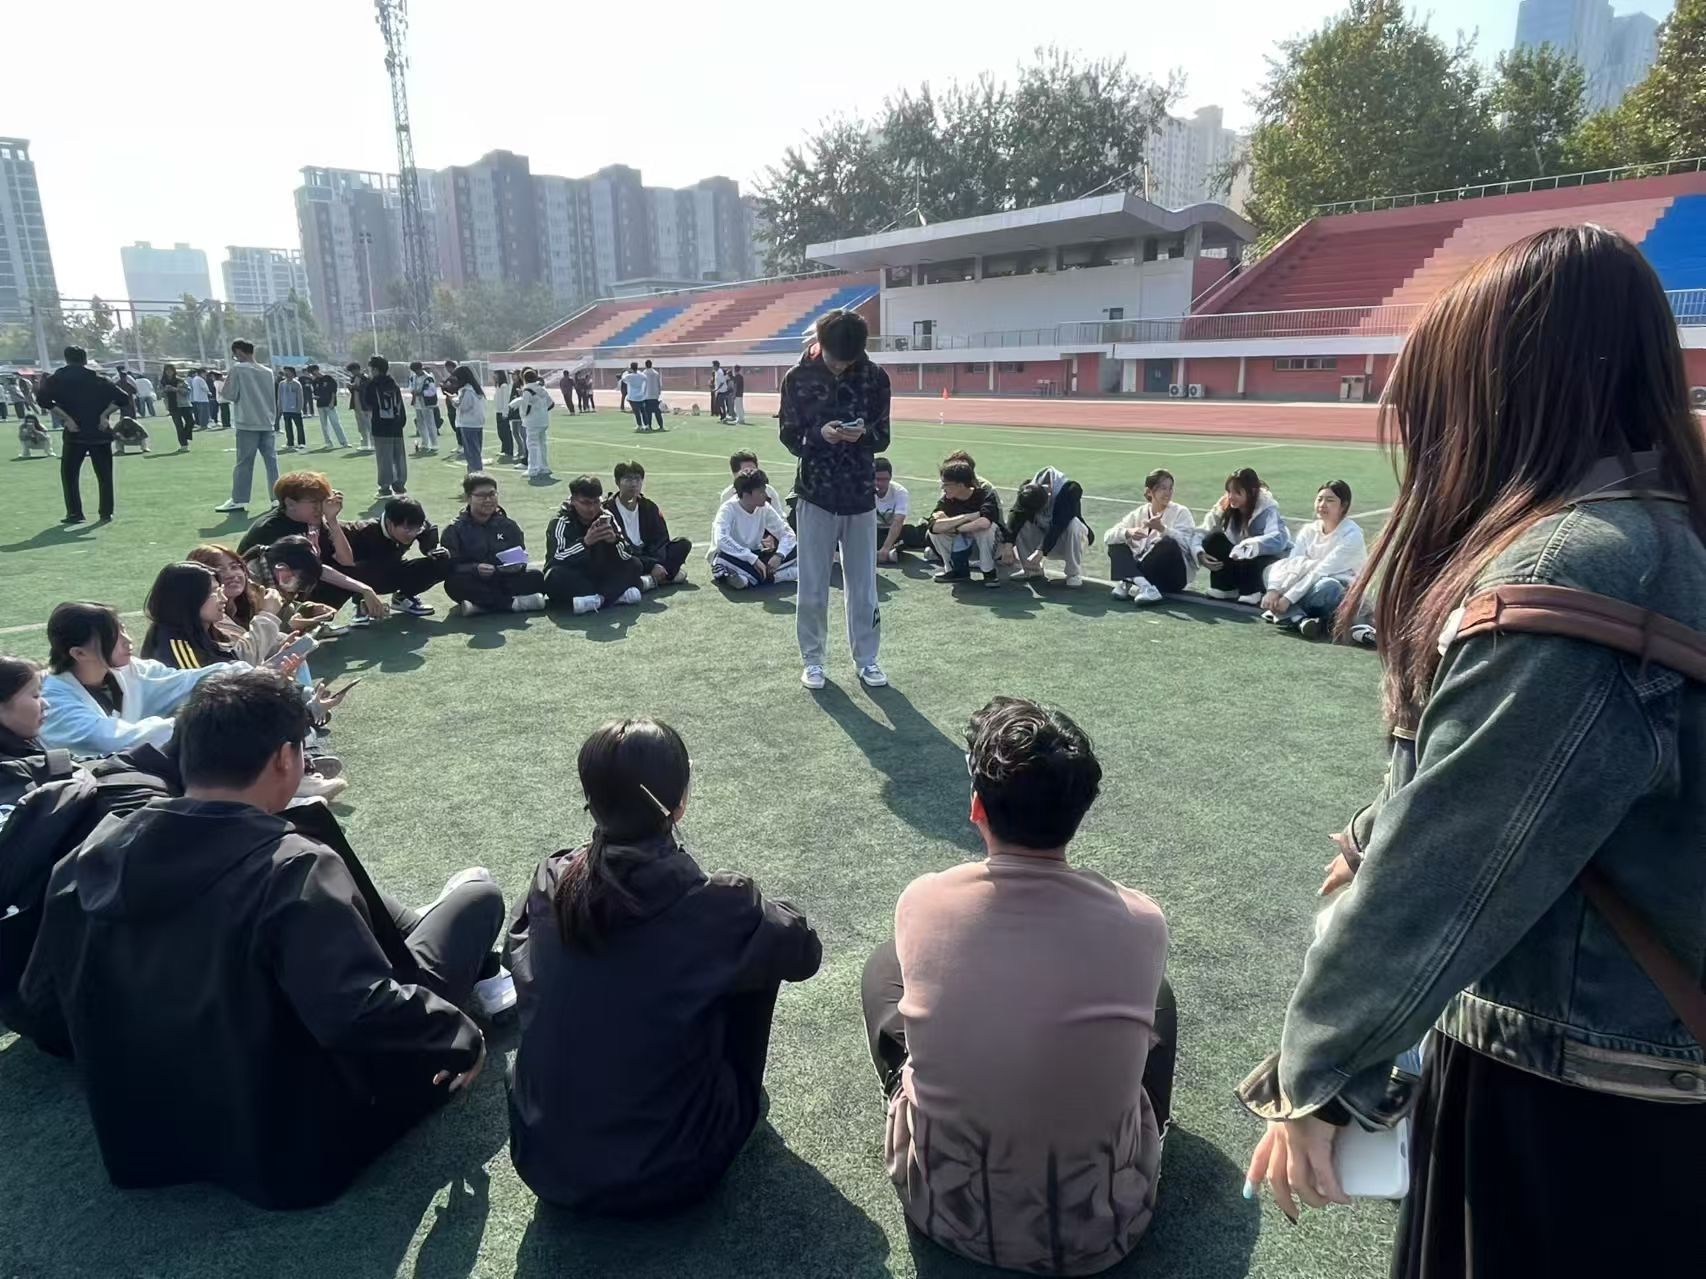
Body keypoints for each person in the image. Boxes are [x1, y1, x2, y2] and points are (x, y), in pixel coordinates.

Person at [1239, 226, 1706, 1275]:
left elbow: (1450, 863)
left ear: (1508, 390)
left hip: (1575, 1100)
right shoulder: (1665, 530)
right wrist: (1374, 829)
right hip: (1632, 1074)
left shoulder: (1581, 563)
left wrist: (1315, 1074)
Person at [19, 668, 510, 1209]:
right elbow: (357, 1012)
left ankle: (409, 926)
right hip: (290, 1146)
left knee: (381, 915)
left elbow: (42, 1000)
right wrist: (456, 1033)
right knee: (477, 896)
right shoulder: (291, 866)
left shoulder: (85, 858)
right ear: (283, 758)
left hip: (145, 1140)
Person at [862, 697, 1172, 1275]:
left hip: (943, 1208)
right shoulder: (1141, 921)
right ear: (1079, 810)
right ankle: (1148, 1135)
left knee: (884, 968)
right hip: (1098, 1228)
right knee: (1160, 1002)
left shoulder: (924, 900)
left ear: (977, 806)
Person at [505, 717, 821, 1213]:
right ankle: (730, 1096)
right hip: (674, 1170)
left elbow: (518, 951)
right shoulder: (720, 905)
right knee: (755, 949)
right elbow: (803, 952)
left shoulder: (551, 878)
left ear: (591, 798)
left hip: (542, 1159)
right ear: (678, 805)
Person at [779, 309, 891, 691]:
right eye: (834, 358)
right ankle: (813, 660)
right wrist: (819, 435)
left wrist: (864, 435)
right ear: (820, 343)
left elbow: (884, 436)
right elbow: (789, 435)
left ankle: (867, 660)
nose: (841, 366)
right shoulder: (797, 378)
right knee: (812, 586)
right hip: (816, 494)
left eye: (848, 360)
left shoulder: (875, 377)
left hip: (860, 494)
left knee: (864, 588)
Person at [37, 602, 229, 756]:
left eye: (123, 629)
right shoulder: (53, 701)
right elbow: (113, 740)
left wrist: (241, 673)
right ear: (79, 653)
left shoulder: (130, 670)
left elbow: (185, 682)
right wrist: (196, 724)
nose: (128, 640)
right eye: (113, 637)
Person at [236, 473, 391, 624]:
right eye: (313, 502)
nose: (320, 507)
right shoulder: (271, 529)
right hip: (257, 599)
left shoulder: (310, 520)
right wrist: (364, 589)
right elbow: (314, 570)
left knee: (353, 571)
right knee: (330, 579)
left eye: (323, 501)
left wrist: (332, 520)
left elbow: (346, 561)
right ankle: (298, 624)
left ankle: (311, 623)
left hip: (287, 589)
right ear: (290, 503)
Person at [1258, 480, 1367, 637]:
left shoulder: (1352, 535)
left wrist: (1287, 598)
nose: (1322, 504)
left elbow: (1321, 571)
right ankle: (1300, 619)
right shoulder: (1309, 530)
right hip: (1305, 582)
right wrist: (1274, 590)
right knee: (1270, 570)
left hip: (1338, 587)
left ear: (1343, 506)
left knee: (1329, 587)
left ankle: (1288, 614)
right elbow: (1292, 565)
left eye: (1330, 500)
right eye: (1319, 499)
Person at [36, 346, 129, 525]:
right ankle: (106, 512)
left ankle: (75, 513)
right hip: (99, 431)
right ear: (85, 360)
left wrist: (67, 418)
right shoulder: (99, 379)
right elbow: (123, 398)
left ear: (66, 359)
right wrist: (104, 415)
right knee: (104, 474)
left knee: (70, 474)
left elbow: (43, 400)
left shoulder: (57, 379)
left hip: (75, 431)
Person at [441, 472, 548, 616]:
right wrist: (475, 568)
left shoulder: (508, 525)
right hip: (474, 580)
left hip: (504, 578)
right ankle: (513, 604)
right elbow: (450, 566)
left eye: (492, 494)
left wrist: (516, 566)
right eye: (481, 496)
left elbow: (520, 558)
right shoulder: (454, 529)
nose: (488, 500)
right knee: (454, 583)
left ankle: (481, 607)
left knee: (536, 577)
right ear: (468, 498)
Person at [332, 496, 450, 617]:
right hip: (366, 576)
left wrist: (430, 549)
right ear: (389, 523)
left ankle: (402, 597)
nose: (412, 534)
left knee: (442, 561)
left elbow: (427, 531)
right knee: (359, 567)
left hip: (392, 569)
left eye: (417, 529)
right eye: (407, 529)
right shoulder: (363, 532)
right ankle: (361, 604)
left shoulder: (417, 525)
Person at [543, 476, 645, 615]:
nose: (591, 508)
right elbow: (557, 558)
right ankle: (614, 596)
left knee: (635, 565)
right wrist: (585, 543)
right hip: (575, 575)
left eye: (596, 502)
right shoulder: (561, 521)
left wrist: (614, 541)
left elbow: (627, 554)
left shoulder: (606, 517)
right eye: (585, 503)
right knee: (553, 577)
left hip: (601, 574)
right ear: (573, 501)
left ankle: (598, 600)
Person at [1196, 467, 1292, 604]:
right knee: (1214, 539)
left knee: (1249, 550)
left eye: (1237, 492)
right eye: (1229, 491)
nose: (1231, 496)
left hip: (1265, 559)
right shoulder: (1225, 504)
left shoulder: (1268, 508)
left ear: (1252, 492)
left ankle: (1253, 590)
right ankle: (1225, 587)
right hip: (1239, 557)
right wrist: (1199, 553)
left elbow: (1279, 539)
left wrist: (1253, 545)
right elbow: (1204, 529)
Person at [1106, 468, 1198, 603]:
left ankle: (1128, 579)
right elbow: (1108, 536)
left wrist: (1162, 529)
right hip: (1147, 574)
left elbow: (1188, 545)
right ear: (1149, 491)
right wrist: (1128, 532)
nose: (1168, 493)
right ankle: (1146, 587)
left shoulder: (1181, 512)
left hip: (1173, 575)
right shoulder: (1139, 513)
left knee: (1167, 543)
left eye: (1170, 488)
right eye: (1163, 488)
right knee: (1116, 544)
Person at [213, 340, 281, 514]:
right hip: (267, 421)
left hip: (247, 422)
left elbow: (229, 394)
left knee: (244, 462)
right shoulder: (268, 372)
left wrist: (224, 384)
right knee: (271, 461)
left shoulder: (238, 369)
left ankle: (239, 499)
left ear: (239, 352)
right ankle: (277, 498)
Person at [607, 460, 691, 589]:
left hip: (649, 554)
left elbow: (661, 539)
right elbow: (616, 547)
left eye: (637, 479)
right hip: (628, 556)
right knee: (622, 561)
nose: (633, 484)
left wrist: (654, 562)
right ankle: (662, 577)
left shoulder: (649, 507)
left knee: (683, 545)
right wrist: (651, 565)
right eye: (628, 479)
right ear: (617, 482)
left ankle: (650, 579)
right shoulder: (608, 510)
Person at [710, 469, 797, 589]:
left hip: (756, 554)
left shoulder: (764, 508)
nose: (765, 495)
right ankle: (773, 576)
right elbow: (721, 539)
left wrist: (779, 555)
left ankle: (746, 579)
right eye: (761, 492)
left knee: (796, 549)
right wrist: (752, 559)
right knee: (721, 557)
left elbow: (787, 534)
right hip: (736, 556)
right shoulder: (728, 509)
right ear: (746, 495)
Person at [1004, 465, 1090, 587]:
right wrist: (1008, 544)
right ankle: (1032, 570)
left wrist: (1041, 550)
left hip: (1068, 541)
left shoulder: (1070, 490)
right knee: (1022, 522)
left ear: (1049, 493)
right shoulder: (1027, 488)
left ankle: (1073, 573)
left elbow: (1059, 524)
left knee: (1073, 524)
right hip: (1044, 536)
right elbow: (1016, 513)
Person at [927, 457, 1003, 588]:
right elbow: (933, 526)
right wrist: (966, 517)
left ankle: (989, 572)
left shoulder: (984, 494)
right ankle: (955, 570)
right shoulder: (947, 499)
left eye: (946, 484)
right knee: (936, 533)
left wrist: (955, 528)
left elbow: (984, 522)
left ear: (961, 485)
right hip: (962, 540)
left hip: (990, 545)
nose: (942, 487)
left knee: (987, 530)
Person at [361, 355, 409, 497]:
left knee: (384, 458)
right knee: (399, 457)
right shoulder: (393, 384)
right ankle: (400, 485)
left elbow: (368, 404)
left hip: (381, 426)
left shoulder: (373, 385)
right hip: (396, 424)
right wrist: (401, 421)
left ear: (376, 369)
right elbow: (400, 404)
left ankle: (385, 487)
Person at [872, 457, 921, 562]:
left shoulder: (900, 492)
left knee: (910, 532)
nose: (880, 483)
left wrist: (885, 548)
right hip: (872, 531)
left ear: (890, 477)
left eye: (884, 479)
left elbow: (898, 521)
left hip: (893, 531)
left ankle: (886, 549)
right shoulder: (864, 490)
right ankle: (893, 550)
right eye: (876, 479)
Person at [513, 369, 555, 479]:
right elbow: (551, 404)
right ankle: (544, 467)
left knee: (532, 445)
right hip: (543, 420)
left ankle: (533, 469)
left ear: (524, 379)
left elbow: (524, 409)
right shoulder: (541, 389)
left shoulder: (527, 390)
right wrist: (542, 411)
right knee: (542, 444)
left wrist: (525, 415)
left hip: (533, 422)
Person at [718, 450, 785, 515]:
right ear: (734, 474)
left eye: (753, 471)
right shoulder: (727, 496)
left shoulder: (769, 491)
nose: (750, 476)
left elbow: (779, 516)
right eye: (746, 472)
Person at [449, 364, 486, 470]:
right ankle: (475, 472)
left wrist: (453, 400)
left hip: (468, 424)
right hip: (477, 422)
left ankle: (475, 473)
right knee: (475, 451)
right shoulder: (475, 388)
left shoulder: (467, 390)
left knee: (472, 452)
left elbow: (464, 407)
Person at [305, 364, 348, 449]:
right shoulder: (315, 381)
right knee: (324, 425)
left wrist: (332, 402)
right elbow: (315, 392)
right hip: (320, 405)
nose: (312, 374)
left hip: (329, 404)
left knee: (335, 423)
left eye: (313, 372)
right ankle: (328, 442)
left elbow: (333, 391)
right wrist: (315, 396)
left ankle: (343, 442)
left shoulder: (328, 378)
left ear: (317, 370)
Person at [406, 361, 441, 456]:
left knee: (430, 423)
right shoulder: (413, 377)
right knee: (420, 424)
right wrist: (413, 392)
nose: (416, 372)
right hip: (417, 403)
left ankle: (434, 444)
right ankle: (425, 443)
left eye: (417, 370)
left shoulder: (428, 378)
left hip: (427, 403)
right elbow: (411, 387)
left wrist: (421, 393)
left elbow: (432, 391)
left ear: (421, 368)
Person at [159, 363, 194, 448]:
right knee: (179, 425)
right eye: (167, 370)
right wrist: (165, 390)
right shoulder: (162, 382)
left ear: (174, 371)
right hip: (172, 405)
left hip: (184, 404)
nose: (169, 372)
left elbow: (188, 391)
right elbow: (160, 393)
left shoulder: (180, 380)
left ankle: (185, 436)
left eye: (171, 370)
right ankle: (184, 444)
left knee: (191, 422)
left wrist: (176, 389)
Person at [275, 366, 307, 453]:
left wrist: (299, 408)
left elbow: (300, 397)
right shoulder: (282, 384)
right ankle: (290, 443)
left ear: (292, 373)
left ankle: (301, 443)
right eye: (285, 371)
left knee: (299, 426)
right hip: (285, 409)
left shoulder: (297, 384)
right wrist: (280, 407)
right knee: (288, 427)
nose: (286, 373)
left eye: (288, 372)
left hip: (295, 409)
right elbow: (279, 397)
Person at [345, 361, 373, 450]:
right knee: (361, 426)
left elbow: (364, 389)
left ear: (357, 369)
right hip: (356, 405)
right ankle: (364, 444)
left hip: (365, 405)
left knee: (369, 425)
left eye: (353, 371)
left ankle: (373, 444)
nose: (352, 373)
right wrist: (350, 387)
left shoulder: (366, 378)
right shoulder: (353, 378)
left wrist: (353, 387)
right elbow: (353, 392)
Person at [492, 371, 518, 463]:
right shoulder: (498, 386)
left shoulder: (504, 386)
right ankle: (504, 449)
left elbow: (505, 400)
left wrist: (505, 413)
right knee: (501, 432)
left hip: (503, 412)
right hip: (498, 411)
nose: (494, 376)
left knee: (505, 431)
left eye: (496, 374)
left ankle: (508, 450)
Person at [619, 361, 648, 431]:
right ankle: (646, 425)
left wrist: (626, 371)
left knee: (637, 412)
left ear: (631, 368)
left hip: (633, 397)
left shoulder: (629, 376)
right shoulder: (641, 375)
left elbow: (623, 378)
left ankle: (639, 425)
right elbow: (645, 378)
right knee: (643, 412)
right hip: (641, 396)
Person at [640, 358, 664, 431]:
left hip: (646, 395)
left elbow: (642, 385)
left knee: (648, 412)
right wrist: (659, 393)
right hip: (655, 395)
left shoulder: (643, 374)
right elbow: (659, 384)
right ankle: (661, 426)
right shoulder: (656, 373)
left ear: (645, 365)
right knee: (657, 411)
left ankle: (649, 426)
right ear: (651, 365)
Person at [188, 366, 213, 430]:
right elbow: (204, 388)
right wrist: (209, 392)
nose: (206, 374)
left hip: (197, 398)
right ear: (202, 373)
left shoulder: (195, 379)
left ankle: (202, 424)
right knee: (204, 413)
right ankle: (204, 425)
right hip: (203, 398)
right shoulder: (200, 379)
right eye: (205, 373)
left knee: (200, 413)